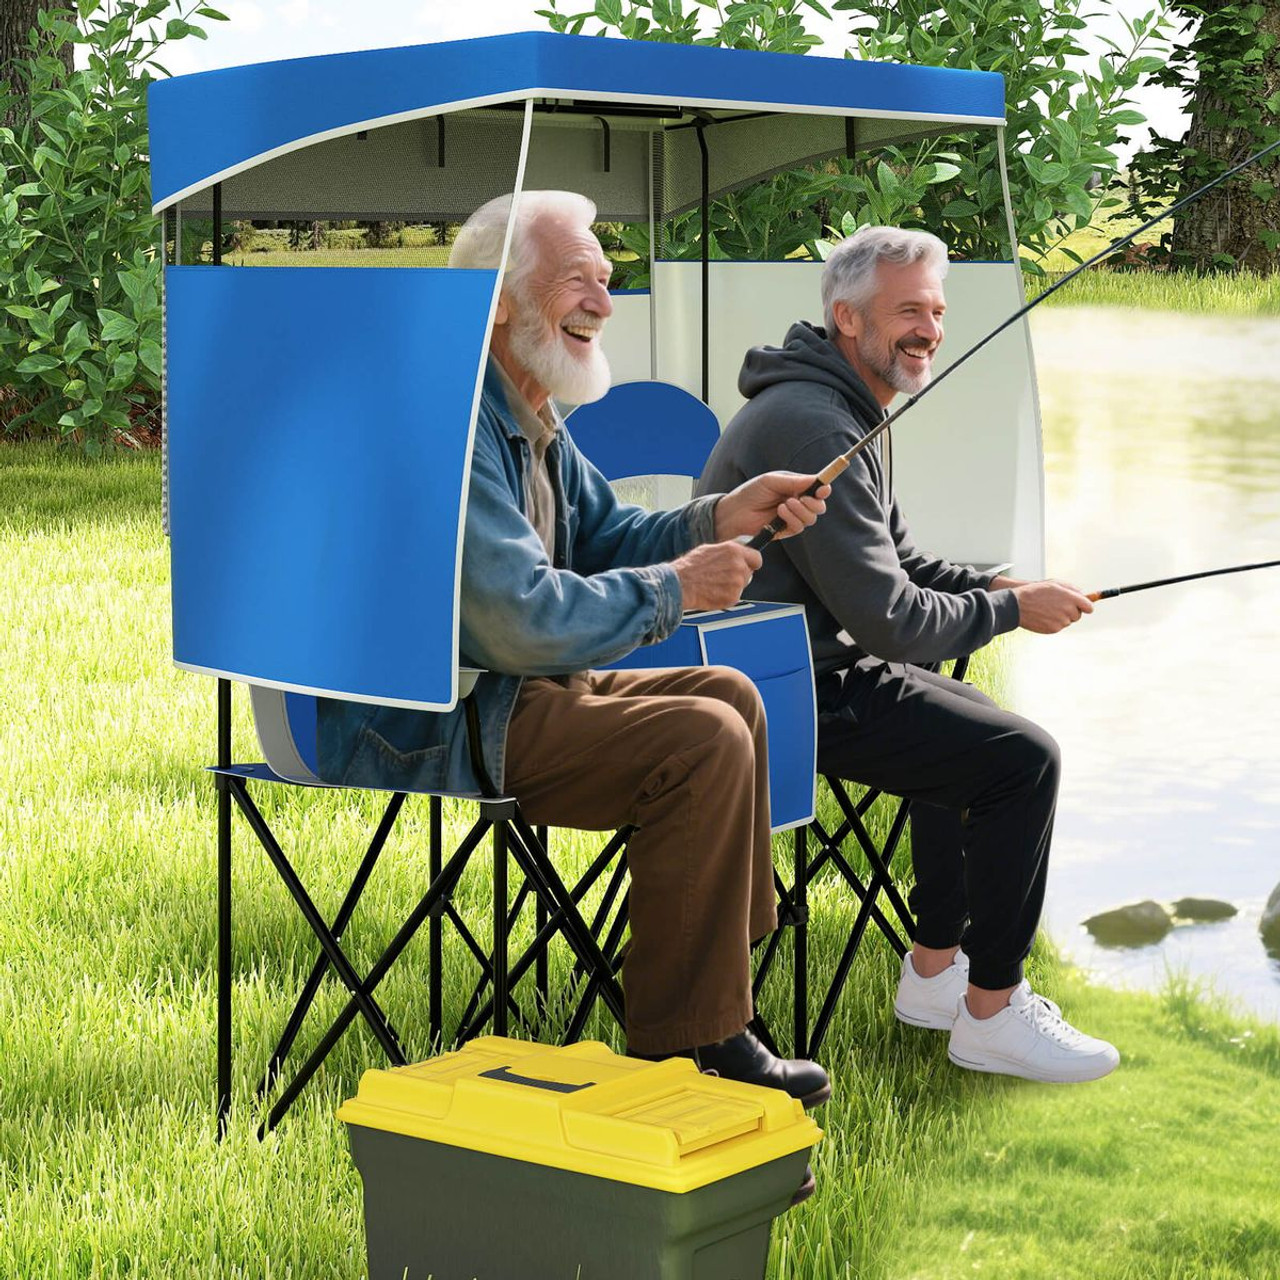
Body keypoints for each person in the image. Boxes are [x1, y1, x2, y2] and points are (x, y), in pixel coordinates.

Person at [316, 191, 834, 1124]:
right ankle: (685, 1058)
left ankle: (718, 1005)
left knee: (731, 696)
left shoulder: (530, 409)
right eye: (577, 279)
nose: (603, 297)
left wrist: (725, 513)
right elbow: (515, 620)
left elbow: (606, 533)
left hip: (516, 693)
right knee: (704, 739)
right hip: (432, 715)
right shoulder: (456, 421)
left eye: (607, 277)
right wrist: (679, 589)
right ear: (500, 301)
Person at [697, 225, 1120, 1084]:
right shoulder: (815, 424)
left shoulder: (842, 406)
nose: (929, 329)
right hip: (772, 688)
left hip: (803, 662)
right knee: (1021, 762)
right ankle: (993, 1013)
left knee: (980, 731)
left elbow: (894, 564)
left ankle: (935, 973)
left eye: (937, 309)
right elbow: (891, 621)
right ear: (847, 319)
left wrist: (994, 582)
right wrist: (1006, 609)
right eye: (908, 312)